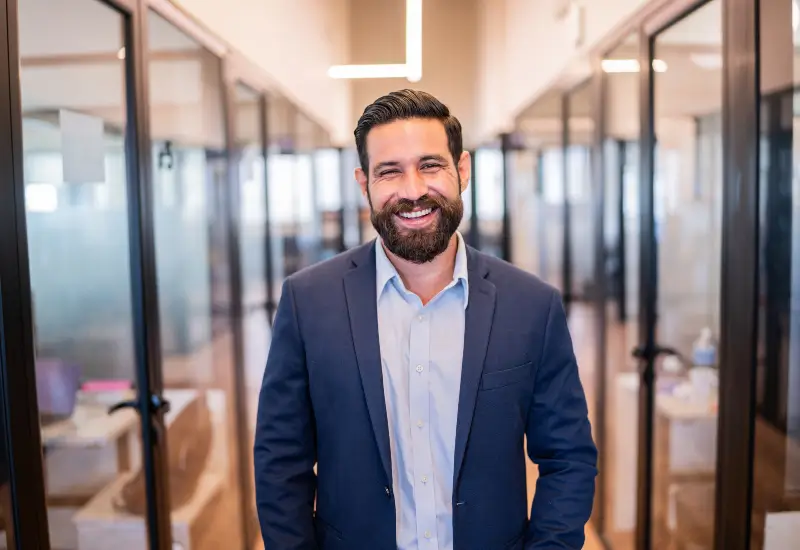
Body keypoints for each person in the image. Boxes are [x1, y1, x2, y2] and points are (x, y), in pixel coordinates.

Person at [254, 89, 597, 550]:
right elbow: (281, 464)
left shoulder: (531, 306)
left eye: (430, 165)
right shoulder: (307, 302)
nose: (413, 190)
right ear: (364, 185)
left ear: (463, 170)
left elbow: (568, 458)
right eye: (389, 171)